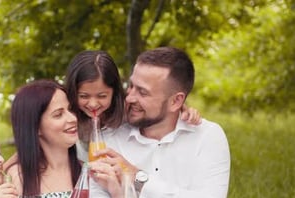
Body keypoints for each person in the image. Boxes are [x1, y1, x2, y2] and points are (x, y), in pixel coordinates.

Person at [73, 47, 231, 198]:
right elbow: (95, 189)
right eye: (132, 86)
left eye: (143, 93)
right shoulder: (111, 135)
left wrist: (137, 178)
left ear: (177, 101)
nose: (130, 98)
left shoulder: (207, 136)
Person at [64, 50, 201, 162]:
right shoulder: (66, 115)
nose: (93, 104)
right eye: (83, 96)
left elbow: (158, 108)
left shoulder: (125, 110)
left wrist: (184, 109)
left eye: (102, 96)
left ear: (114, 91)